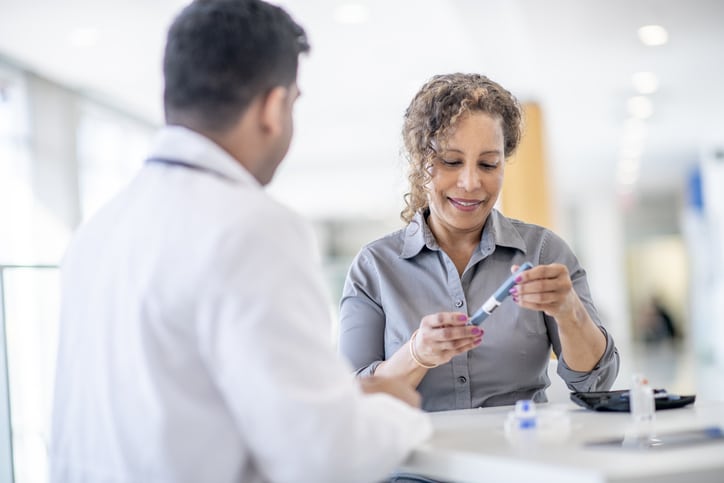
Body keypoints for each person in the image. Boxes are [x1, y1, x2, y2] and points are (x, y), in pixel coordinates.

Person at [49, 1, 431, 482]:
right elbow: (325, 459)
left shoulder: (97, 231)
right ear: (273, 107)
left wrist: (339, 403)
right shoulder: (253, 227)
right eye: (293, 103)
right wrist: (398, 411)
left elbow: (179, 404)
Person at [339, 73, 620, 412]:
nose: (471, 182)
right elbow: (353, 401)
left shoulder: (544, 252)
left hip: (524, 455)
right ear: (419, 162)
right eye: (451, 161)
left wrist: (569, 311)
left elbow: (595, 382)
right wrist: (416, 355)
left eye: (488, 164)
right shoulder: (375, 267)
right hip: (416, 462)